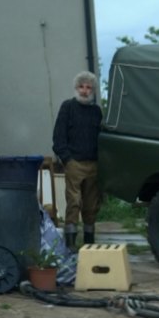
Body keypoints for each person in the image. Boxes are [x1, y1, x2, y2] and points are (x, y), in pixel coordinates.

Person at [52, 70, 103, 250]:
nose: (84, 90)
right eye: (81, 86)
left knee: (91, 206)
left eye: (88, 87)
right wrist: (67, 159)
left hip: (93, 164)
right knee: (73, 202)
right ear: (76, 88)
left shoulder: (97, 112)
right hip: (74, 163)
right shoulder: (68, 107)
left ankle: (89, 243)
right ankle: (71, 245)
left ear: (93, 91)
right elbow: (58, 136)